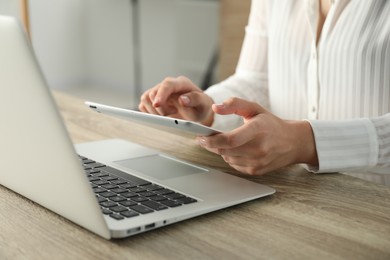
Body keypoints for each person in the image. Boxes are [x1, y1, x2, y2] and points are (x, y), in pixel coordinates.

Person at [138, 0, 390, 176]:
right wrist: (209, 109)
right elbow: (257, 78)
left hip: (375, 208)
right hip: (294, 194)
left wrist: (306, 143)